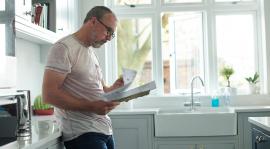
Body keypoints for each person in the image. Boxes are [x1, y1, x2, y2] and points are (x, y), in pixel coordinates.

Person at [42, 6, 123, 149]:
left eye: (112, 34)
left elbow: (101, 90)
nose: (110, 38)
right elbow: (49, 95)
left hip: (105, 131)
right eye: (108, 31)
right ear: (93, 22)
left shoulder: (92, 54)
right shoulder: (63, 48)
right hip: (83, 134)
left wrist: (113, 89)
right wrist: (92, 106)